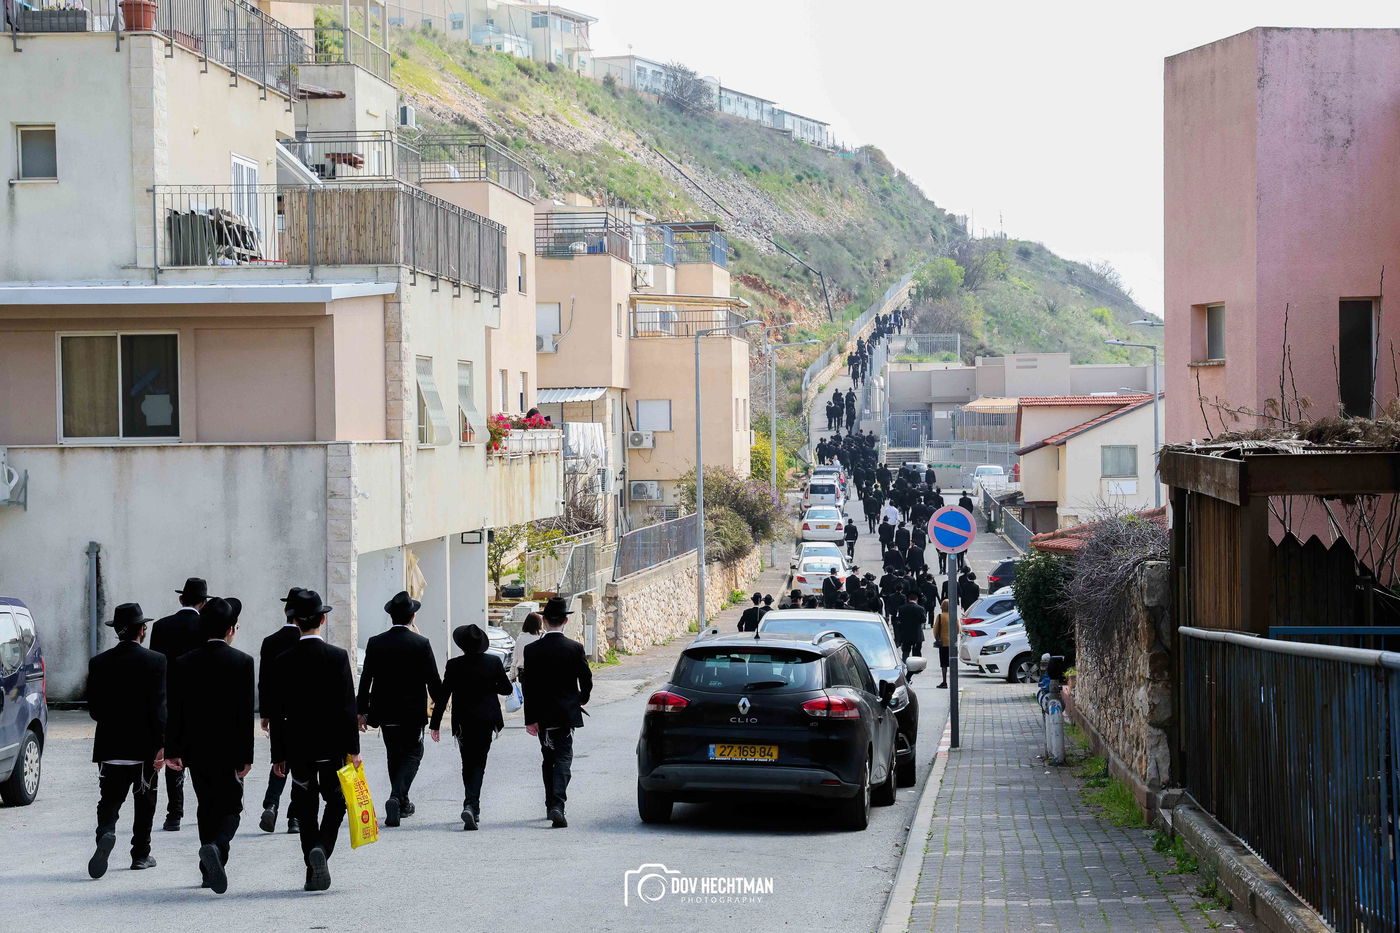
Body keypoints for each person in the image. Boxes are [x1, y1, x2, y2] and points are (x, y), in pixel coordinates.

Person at [267, 590, 359, 893]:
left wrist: (278, 755)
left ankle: (311, 866)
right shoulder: (337, 656)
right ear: (323, 619)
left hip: (298, 746)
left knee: (304, 807)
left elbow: (277, 712)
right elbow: (348, 707)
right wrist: (353, 750)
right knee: (337, 800)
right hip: (332, 745)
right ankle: (322, 847)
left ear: (295, 621)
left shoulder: (283, 660)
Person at [165, 597, 254, 895]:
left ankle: (208, 870)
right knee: (232, 807)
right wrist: (247, 755)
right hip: (229, 748)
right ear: (231, 629)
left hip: (196, 748)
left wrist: (173, 749)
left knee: (206, 805)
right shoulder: (243, 661)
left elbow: (175, 710)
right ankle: (217, 847)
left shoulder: (184, 662)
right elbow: (245, 714)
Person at [87, 603, 166, 879]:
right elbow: (159, 709)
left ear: (117, 631)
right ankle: (140, 855)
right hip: (144, 748)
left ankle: (106, 833)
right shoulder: (156, 661)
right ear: (142, 629)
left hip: (110, 745)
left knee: (109, 800)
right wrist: (162, 744)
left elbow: (94, 710)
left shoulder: (98, 663)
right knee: (145, 802)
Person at [356, 591, 443, 828]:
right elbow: (433, 680)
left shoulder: (375, 642)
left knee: (393, 754)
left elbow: (366, 679)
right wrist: (440, 707)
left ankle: (402, 802)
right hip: (412, 711)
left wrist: (361, 710)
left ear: (391, 616)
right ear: (413, 616)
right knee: (414, 753)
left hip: (384, 710)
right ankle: (396, 796)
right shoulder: (421, 643)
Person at [431, 624, 512, 830]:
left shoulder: (454, 665)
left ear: (462, 645)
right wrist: (489, 685)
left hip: (463, 721)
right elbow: (507, 688)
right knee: (479, 762)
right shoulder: (493, 662)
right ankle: (471, 805)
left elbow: (443, 695)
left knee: (467, 762)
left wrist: (435, 723)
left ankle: (471, 804)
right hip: (486, 719)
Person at [522, 597, 592, 828]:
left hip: (542, 714)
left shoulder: (532, 650)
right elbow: (586, 678)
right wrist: (582, 698)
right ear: (565, 621)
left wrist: (530, 718)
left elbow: (528, 686)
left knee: (547, 757)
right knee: (563, 758)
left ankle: (549, 803)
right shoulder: (574, 648)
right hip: (566, 713)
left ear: (544, 620)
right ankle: (557, 805)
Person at [149, 576, 209, 833]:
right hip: (200, 700)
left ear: (181, 599)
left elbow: (155, 667)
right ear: (203, 603)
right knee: (201, 756)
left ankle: (174, 813)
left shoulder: (161, 626)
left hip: (170, 698)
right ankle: (205, 806)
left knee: (173, 752)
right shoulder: (206, 626)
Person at [258, 588, 307, 835]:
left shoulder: (270, 641)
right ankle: (295, 817)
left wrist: (265, 713)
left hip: (279, 712)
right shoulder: (307, 640)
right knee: (301, 763)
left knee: (279, 761)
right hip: (304, 713)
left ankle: (271, 805)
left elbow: (264, 681)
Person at [893, 593, 926, 664]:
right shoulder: (920, 609)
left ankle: (905, 664)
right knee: (917, 652)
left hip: (905, 633)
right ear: (916, 600)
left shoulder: (901, 608)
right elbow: (923, 620)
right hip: (917, 634)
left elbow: (898, 620)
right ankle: (916, 666)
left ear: (908, 599)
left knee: (905, 652)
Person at [512, 612, 543, 681]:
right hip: (538, 672)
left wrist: (512, 675)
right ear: (539, 623)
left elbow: (515, 658)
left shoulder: (520, 637)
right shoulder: (542, 637)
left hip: (523, 673)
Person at [933, 600, 951, 689]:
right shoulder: (953, 616)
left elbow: (935, 630)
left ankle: (944, 681)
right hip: (952, 643)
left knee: (944, 664)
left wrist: (937, 637)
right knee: (952, 662)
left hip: (943, 643)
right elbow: (958, 629)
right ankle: (953, 681)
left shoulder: (940, 616)